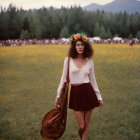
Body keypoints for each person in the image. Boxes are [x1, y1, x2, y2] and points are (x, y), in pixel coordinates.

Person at [54, 33, 103, 140]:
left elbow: (93, 80)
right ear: (74, 47)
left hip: (88, 92)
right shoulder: (68, 60)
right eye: (78, 45)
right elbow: (63, 79)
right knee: (81, 126)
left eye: (82, 45)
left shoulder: (90, 62)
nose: (80, 47)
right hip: (75, 93)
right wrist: (58, 95)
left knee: (86, 123)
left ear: (85, 46)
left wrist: (99, 97)